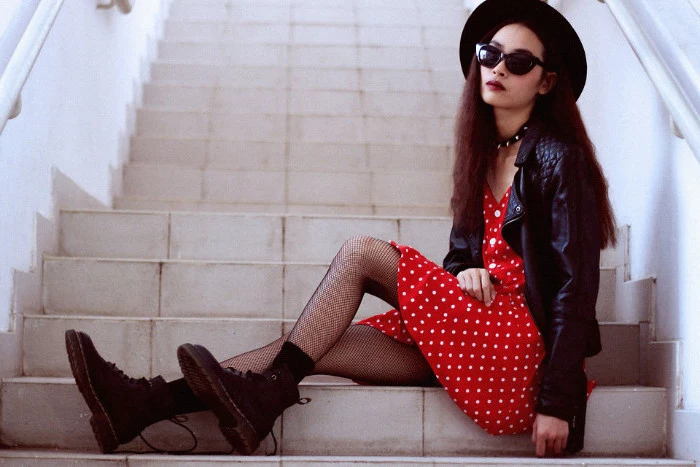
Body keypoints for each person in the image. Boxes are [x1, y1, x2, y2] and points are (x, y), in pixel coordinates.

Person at [65, 0, 616, 458]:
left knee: (360, 253)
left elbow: (574, 285)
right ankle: (140, 405)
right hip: (472, 333)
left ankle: (261, 396)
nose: (497, 68)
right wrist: (467, 268)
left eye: (518, 63)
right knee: (313, 345)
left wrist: (557, 400)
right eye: (489, 54)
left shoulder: (558, 158)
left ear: (546, 82)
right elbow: (461, 257)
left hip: (516, 351)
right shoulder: (482, 157)